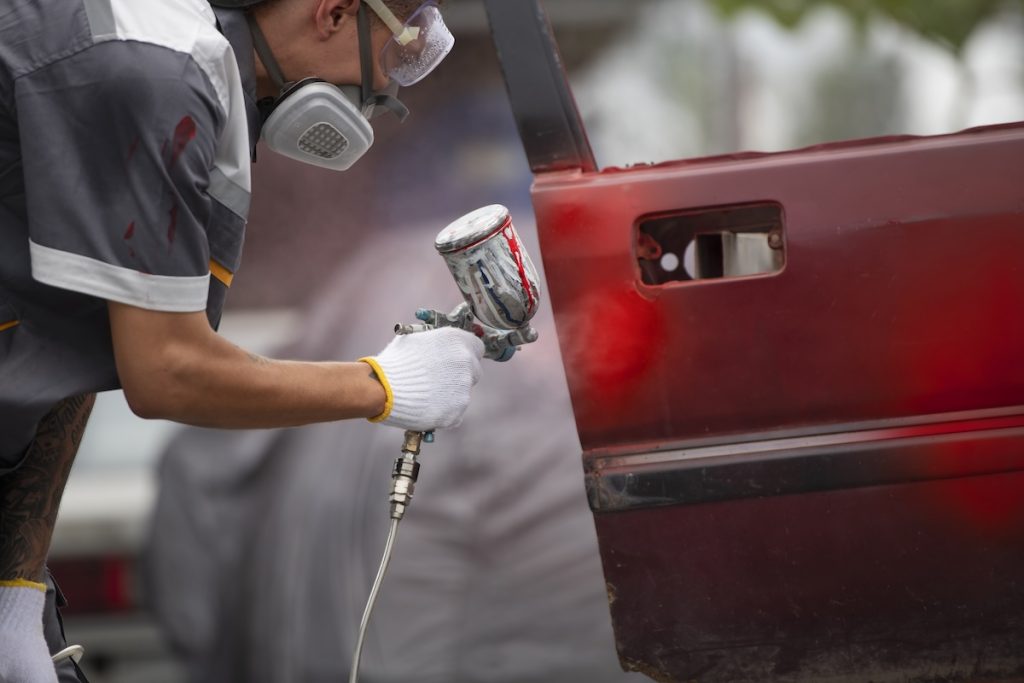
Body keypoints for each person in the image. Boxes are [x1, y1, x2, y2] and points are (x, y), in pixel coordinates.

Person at [0, 1, 482, 681]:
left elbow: (77, 340)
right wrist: (382, 384)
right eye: (398, 53)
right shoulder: (159, 71)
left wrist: (15, 591)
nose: (389, 89)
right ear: (334, 14)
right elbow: (165, 369)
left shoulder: (181, 66)